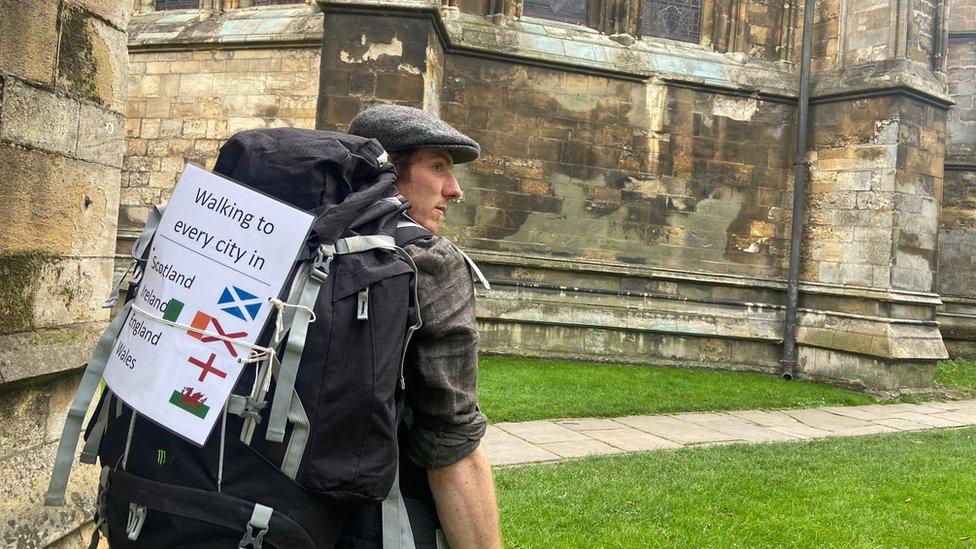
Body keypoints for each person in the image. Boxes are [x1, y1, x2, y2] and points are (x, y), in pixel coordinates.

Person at [339, 104, 502, 549]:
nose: (455, 190)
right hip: (373, 522)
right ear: (389, 173)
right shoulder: (428, 260)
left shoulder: (300, 239)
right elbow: (451, 441)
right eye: (438, 167)